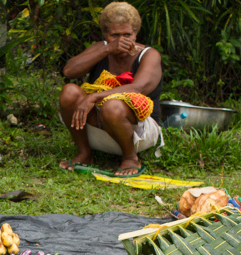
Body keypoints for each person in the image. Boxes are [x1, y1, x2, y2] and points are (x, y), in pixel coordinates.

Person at [59, 2, 163, 177]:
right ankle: (84, 154)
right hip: (102, 125)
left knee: (112, 105)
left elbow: (137, 88)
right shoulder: (103, 48)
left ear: (136, 34)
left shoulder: (149, 55)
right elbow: (69, 71)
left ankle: (130, 158)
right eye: (115, 35)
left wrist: (94, 97)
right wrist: (107, 49)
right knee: (69, 91)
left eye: (127, 35)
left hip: (140, 131)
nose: (122, 41)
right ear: (106, 35)